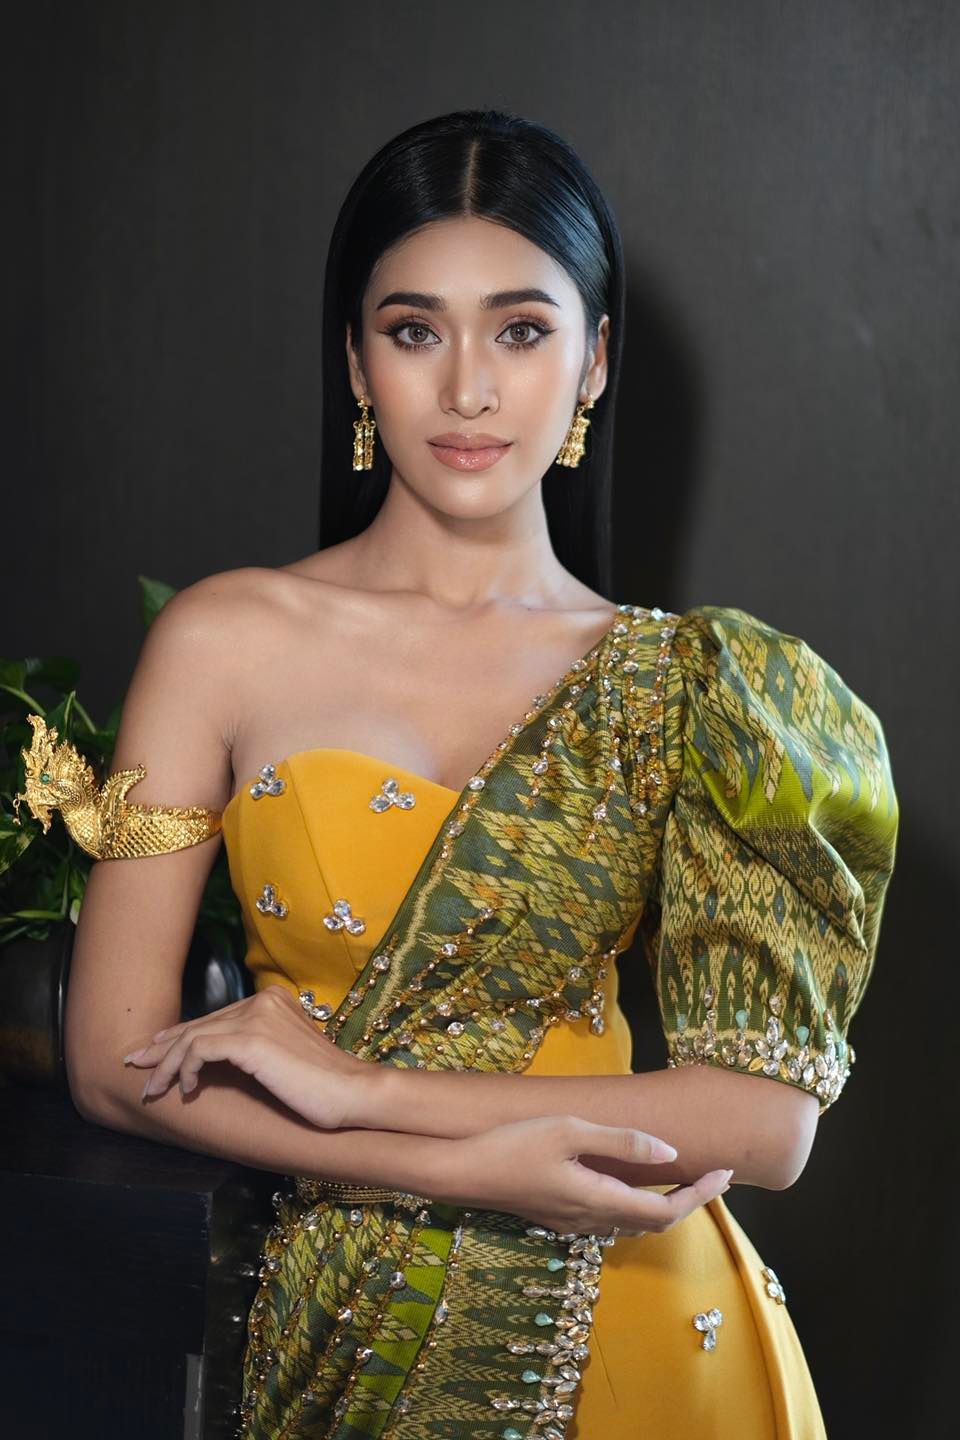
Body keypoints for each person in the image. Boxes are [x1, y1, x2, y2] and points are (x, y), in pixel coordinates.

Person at [36, 109, 898, 1438]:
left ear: (595, 360)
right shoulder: (223, 642)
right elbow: (110, 1060)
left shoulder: (697, 685)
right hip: (352, 1330)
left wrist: (371, 1094)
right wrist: (478, 1168)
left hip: (648, 1322)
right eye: (414, 330)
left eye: (522, 331)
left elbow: (766, 1126)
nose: (469, 390)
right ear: (355, 360)